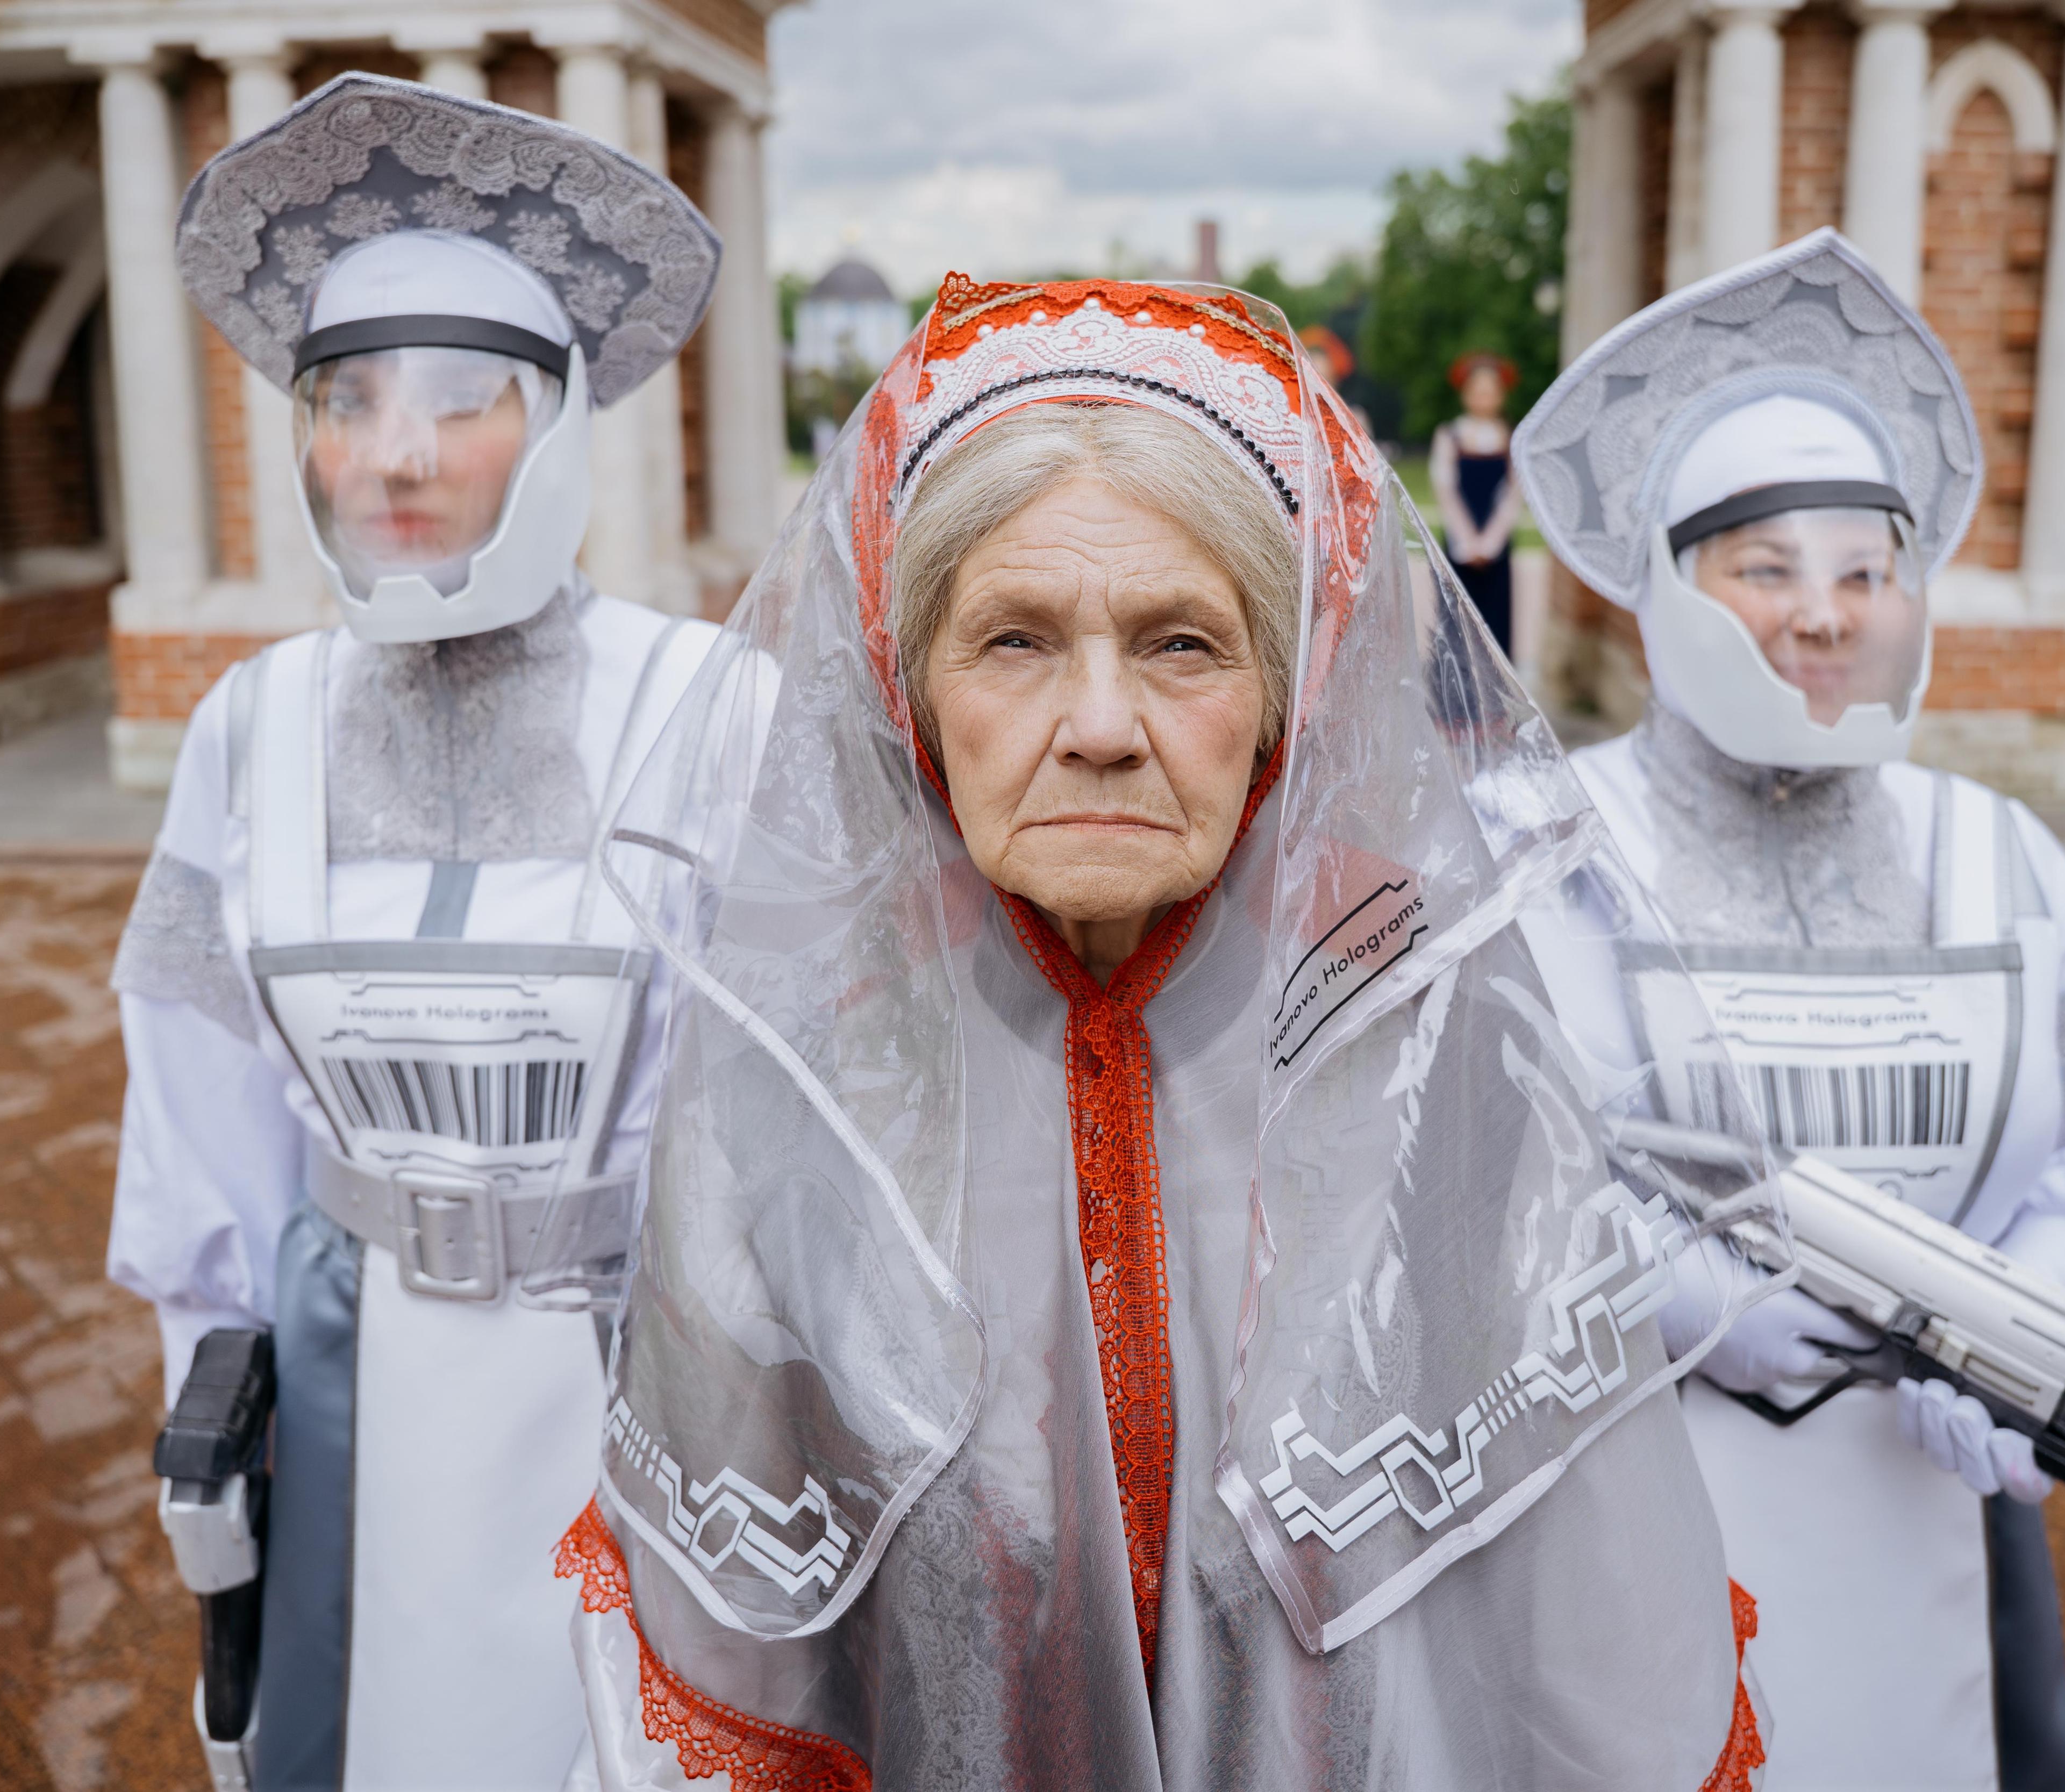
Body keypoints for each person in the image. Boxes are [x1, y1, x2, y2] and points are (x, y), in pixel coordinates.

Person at [546, 273, 1799, 1789]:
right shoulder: (812, 1065)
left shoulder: (1425, 1046)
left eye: (1183, 644)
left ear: (1288, 694)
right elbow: (732, 1649)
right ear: (908, 686)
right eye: (1013, 640)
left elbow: (1575, 1634)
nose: (1098, 725)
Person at [1513, 228, 2065, 1791]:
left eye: (1864, 572)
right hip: (1612, 1514)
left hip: (1936, 1522)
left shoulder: (2000, 857)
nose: (1824, 615)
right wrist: (1658, 1294)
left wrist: (2043, 1304)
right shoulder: (1531, 850)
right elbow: (1413, 1189)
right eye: (1766, 569)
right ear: (1661, 590)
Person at [106, 73, 721, 1791]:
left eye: (463, 400)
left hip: (645, 1402)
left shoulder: (707, 705)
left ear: (561, 423)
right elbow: (202, 1125)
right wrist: (217, 1418)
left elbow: (805, 1149)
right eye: (346, 397)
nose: (393, 455)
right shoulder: (249, 728)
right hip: (350, 1396)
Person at [1430, 350, 1528, 670]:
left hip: (1496, 546)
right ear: (1466, 394)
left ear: (1501, 395)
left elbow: (1513, 494)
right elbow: (1446, 490)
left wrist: (1490, 543)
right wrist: (1468, 541)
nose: (1484, 397)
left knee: (1495, 620)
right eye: (1478, 390)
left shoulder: (1511, 438)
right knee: (1456, 620)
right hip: (1460, 543)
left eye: (1491, 390)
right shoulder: (1450, 435)